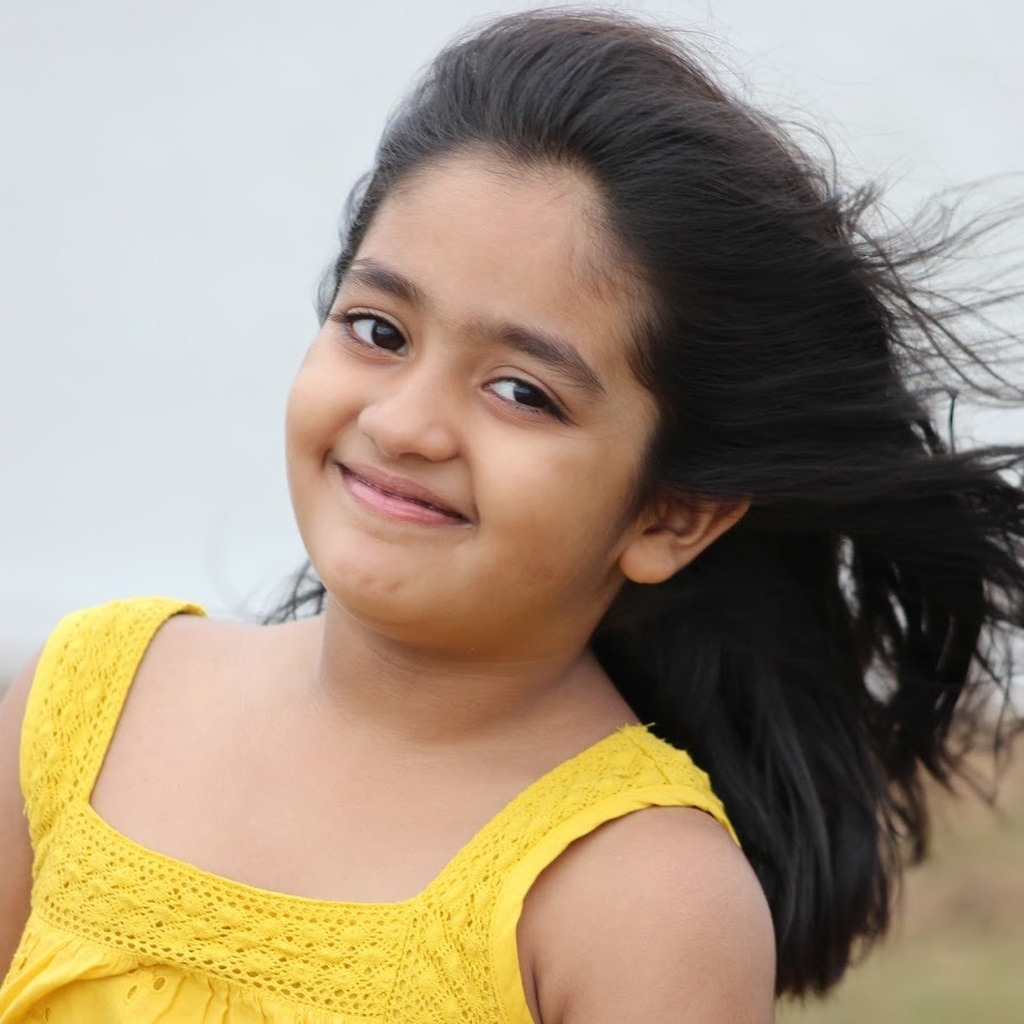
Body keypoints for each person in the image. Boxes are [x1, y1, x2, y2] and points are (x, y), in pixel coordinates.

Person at [1, 8, 1021, 1023]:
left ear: (671, 515)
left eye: (523, 392)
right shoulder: (82, 707)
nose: (404, 423)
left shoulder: (643, 897)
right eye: (378, 329)